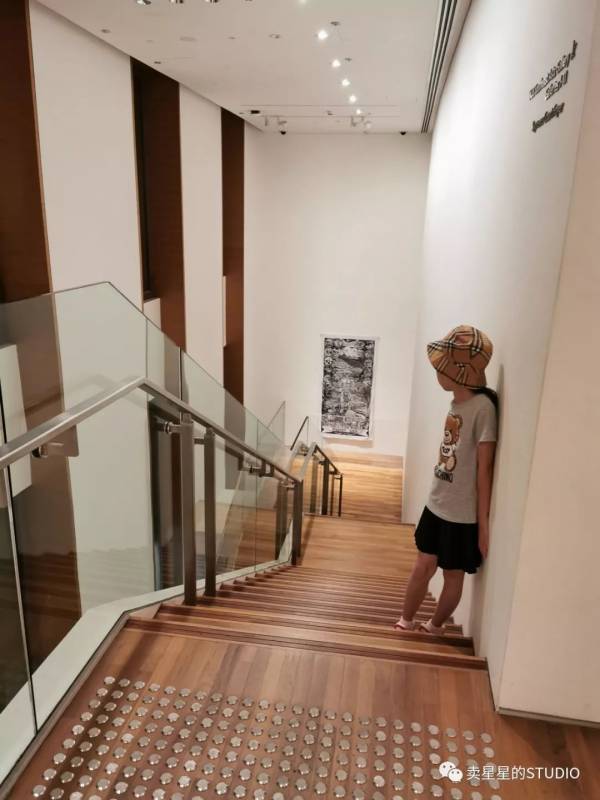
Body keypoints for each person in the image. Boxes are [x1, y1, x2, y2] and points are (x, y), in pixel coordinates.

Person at [396, 325, 498, 635]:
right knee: (422, 567)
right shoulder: (457, 403)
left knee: (453, 576)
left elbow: (484, 469)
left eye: (442, 367)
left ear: (458, 373)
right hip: (436, 503)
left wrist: (483, 526)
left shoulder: (483, 409)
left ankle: (435, 627)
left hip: (462, 516)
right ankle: (405, 622)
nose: (437, 372)